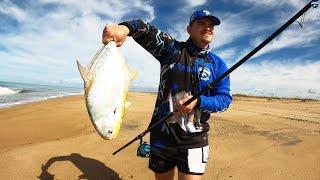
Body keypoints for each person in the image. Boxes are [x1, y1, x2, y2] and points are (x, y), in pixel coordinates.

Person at [102, 10, 232, 180]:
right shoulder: (171, 50)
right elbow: (143, 28)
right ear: (189, 29)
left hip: (195, 138)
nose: (207, 28)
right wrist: (123, 29)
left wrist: (199, 101)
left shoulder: (218, 64)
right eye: (201, 24)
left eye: (211, 25)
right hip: (162, 134)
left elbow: (225, 99)